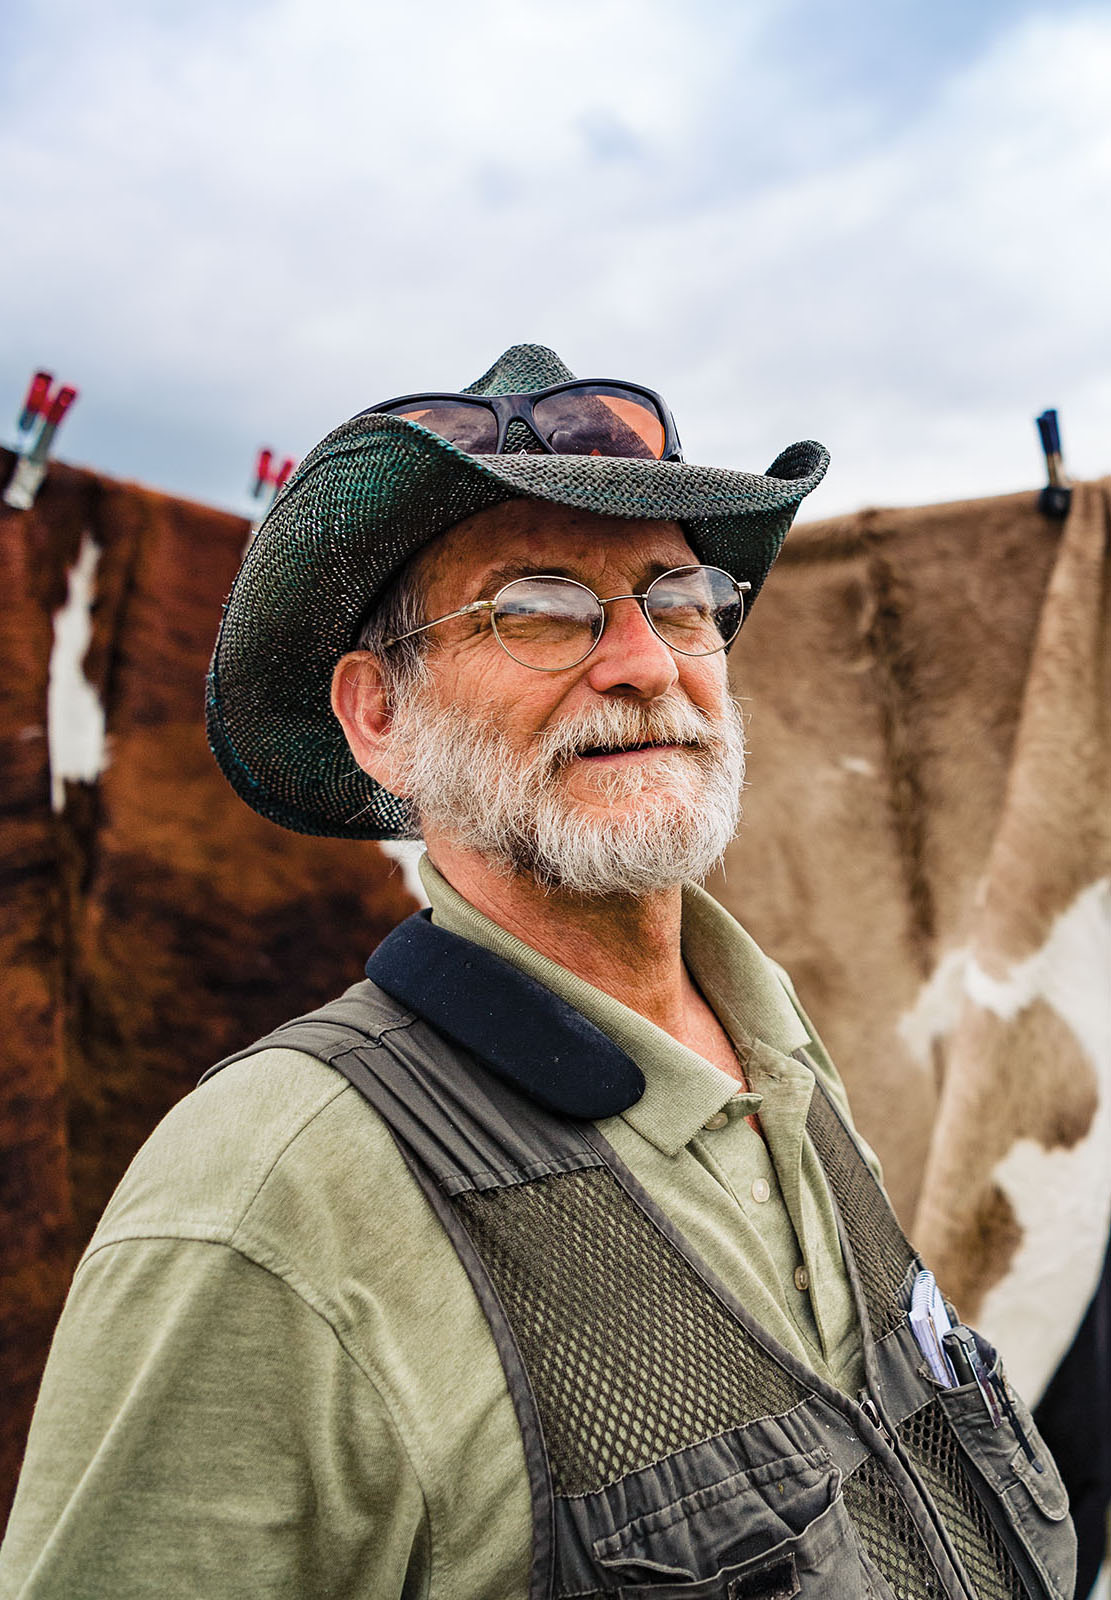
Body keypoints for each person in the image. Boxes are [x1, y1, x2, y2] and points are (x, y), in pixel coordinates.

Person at [0, 346, 1075, 1600]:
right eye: (539, 607)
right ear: (379, 719)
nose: (644, 662)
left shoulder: (778, 1048)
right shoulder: (266, 1198)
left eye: (678, 600)